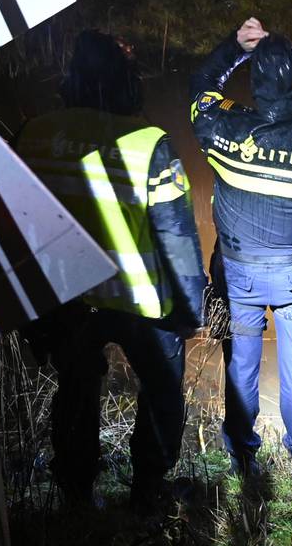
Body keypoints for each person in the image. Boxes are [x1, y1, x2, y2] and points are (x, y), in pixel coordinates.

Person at [18, 30, 206, 512]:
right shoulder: (149, 143)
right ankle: (148, 487)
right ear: (126, 82)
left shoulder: (34, 133)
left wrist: (28, 313)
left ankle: (76, 490)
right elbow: (178, 240)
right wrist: (189, 311)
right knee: (162, 387)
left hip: (65, 294)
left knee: (76, 385)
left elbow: (14, 221)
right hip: (138, 298)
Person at [190, 18, 292, 471]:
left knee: (240, 361)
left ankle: (242, 453)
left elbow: (201, 86)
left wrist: (234, 48)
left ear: (255, 82)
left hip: (239, 275)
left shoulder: (219, 128)